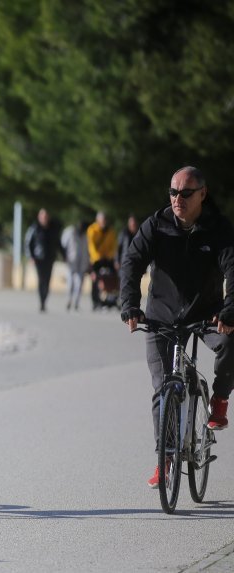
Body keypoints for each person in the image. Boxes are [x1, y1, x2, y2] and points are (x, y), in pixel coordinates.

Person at [119, 166, 234, 488]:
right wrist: (130, 305)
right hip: (161, 316)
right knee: (163, 387)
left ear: (202, 194)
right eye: (173, 192)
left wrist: (230, 311)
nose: (177, 199)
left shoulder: (219, 228)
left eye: (185, 193)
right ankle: (166, 457)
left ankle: (220, 400)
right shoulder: (156, 225)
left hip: (208, 313)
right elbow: (131, 263)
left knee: (229, 343)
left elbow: (233, 270)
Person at [25, 208, 61, 312]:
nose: (44, 218)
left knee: (47, 280)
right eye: (43, 216)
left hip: (50, 258)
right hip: (38, 258)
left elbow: (57, 243)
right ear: (39, 217)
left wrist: (63, 254)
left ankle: (44, 300)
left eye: (46, 216)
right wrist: (30, 256)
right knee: (41, 280)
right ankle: (41, 302)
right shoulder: (34, 228)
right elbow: (28, 243)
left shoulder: (53, 229)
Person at [87, 211, 117, 310]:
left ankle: (111, 300)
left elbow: (113, 246)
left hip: (107, 258)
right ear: (97, 220)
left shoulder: (111, 231)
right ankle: (95, 301)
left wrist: (108, 255)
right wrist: (99, 256)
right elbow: (91, 246)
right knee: (95, 279)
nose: (104, 222)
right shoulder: (92, 230)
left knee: (113, 276)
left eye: (105, 220)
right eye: (102, 220)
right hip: (96, 259)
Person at [61, 220, 90, 311]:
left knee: (79, 283)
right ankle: (69, 301)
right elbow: (63, 245)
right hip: (71, 261)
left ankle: (76, 303)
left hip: (82, 263)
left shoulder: (86, 235)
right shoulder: (69, 232)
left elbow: (88, 249)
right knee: (70, 283)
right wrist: (64, 256)